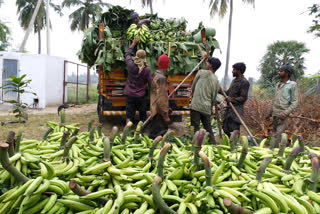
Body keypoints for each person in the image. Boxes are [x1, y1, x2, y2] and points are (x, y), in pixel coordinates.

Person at [190, 57, 221, 144]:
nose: (206, 64)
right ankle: (213, 144)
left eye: (208, 63)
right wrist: (211, 108)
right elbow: (214, 96)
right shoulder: (216, 79)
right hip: (206, 107)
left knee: (195, 129)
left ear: (210, 65)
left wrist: (193, 93)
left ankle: (195, 146)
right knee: (208, 128)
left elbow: (193, 87)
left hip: (196, 106)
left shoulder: (201, 72)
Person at [266, 64, 299, 147]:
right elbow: (274, 100)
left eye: (281, 71)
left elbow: (294, 102)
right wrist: (269, 113)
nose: (279, 72)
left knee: (278, 135)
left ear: (287, 73)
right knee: (274, 133)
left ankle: (276, 153)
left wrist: (286, 113)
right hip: (275, 113)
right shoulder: (278, 84)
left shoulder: (292, 85)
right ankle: (277, 149)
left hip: (282, 114)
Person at [124, 37, 152, 123]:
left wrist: (133, 43)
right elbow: (150, 83)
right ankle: (141, 132)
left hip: (129, 94)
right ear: (144, 58)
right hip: (141, 96)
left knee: (129, 115)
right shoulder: (146, 70)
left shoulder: (130, 65)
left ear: (136, 56)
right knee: (142, 115)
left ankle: (127, 130)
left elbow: (127, 54)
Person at [222, 62, 250, 137]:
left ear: (239, 71)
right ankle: (228, 144)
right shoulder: (234, 81)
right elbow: (228, 92)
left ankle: (234, 145)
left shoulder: (244, 82)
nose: (232, 71)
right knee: (225, 128)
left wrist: (231, 100)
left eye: (234, 69)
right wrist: (219, 90)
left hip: (236, 110)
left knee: (233, 129)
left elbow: (243, 97)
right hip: (229, 109)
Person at [148, 54, 171, 139]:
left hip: (155, 110)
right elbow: (161, 99)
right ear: (167, 65)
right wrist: (165, 115)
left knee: (153, 135)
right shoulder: (161, 79)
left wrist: (168, 108)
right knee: (158, 136)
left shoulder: (156, 75)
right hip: (159, 113)